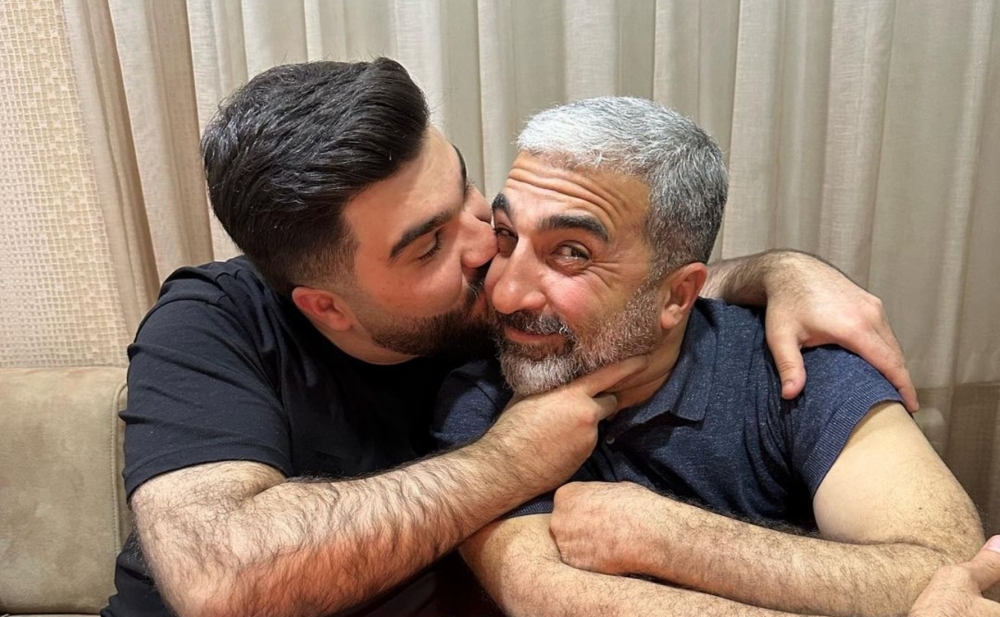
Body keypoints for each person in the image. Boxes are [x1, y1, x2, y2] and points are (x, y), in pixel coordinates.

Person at [101, 60, 918, 617]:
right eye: (429, 244)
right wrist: (506, 463)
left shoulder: (491, 302)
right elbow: (221, 578)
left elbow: (621, 282)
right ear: (329, 306)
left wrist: (781, 269)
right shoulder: (211, 324)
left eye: (465, 191)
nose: (489, 251)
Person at [433, 96, 983, 617]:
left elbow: (952, 569)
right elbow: (546, 596)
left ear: (677, 296)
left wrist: (671, 539)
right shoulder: (482, 398)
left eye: (572, 252)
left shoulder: (796, 367)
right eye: (506, 236)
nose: (505, 294)